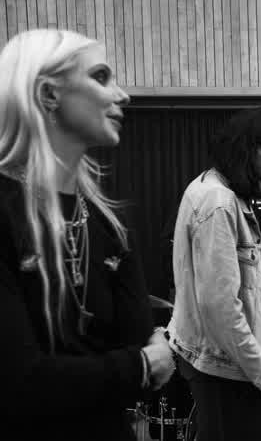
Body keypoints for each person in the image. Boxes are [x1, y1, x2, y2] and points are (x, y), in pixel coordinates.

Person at [0, 29, 175, 441]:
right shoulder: (5, 211)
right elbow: (20, 383)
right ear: (49, 94)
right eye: (100, 77)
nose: (122, 95)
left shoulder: (107, 221)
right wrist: (139, 364)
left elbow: (145, 350)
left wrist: (144, 359)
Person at [167, 108, 261, 441]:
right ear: (250, 150)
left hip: (224, 363)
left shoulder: (215, 190)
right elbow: (220, 307)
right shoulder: (217, 202)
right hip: (224, 367)